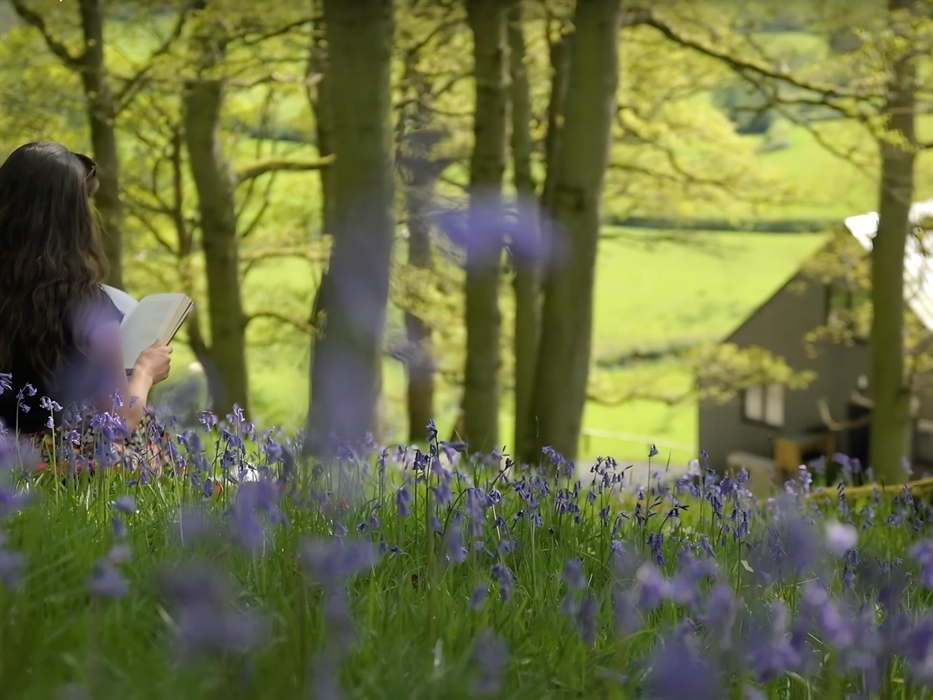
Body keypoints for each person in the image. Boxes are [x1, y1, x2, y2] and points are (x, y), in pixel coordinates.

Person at [0, 141, 172, 476]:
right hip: (61, 467)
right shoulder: (88, 304)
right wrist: (145, 373)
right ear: (74, 219)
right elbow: (121, 418)